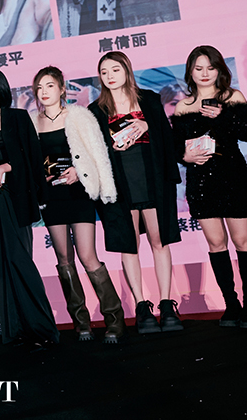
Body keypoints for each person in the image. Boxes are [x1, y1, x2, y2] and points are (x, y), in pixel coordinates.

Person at [88, 51, 183, 333]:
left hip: (153, 180)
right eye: (104, 72)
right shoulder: (96, 110)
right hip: (120, 187)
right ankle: (142, 306)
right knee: (129, 245)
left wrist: (146, 124)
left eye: (115, 70)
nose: (109, 76)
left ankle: (166, 303)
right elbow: (93, 152)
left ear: (127, 70)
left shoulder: (149, 100)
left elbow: (167, 138)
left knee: (159, 240)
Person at [0, 68, 59, 347]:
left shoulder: (17, 117)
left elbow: (31, 157)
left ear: (1, 90)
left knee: (20, 260)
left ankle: (41, 329)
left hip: (14, 198)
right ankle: (13, 330)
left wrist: (5, 166)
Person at [31, 67, 126, 344]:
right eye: (39, 87)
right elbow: (29, 162)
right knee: (64, 259)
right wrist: (40, 176)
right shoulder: (31, 121)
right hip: (52, 197)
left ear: (62, 88)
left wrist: (79, 171)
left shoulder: (79, 116)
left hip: (79, 193)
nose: (44, 92)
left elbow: (98, 154)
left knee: (87, 255)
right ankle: (81, 322)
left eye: (50, 85)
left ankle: (115, 319)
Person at [171, 45, 247, 328]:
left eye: (210, 68)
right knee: (216, 243)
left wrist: (221, 115)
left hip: (233, 177)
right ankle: (231, 304)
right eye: (198, 68)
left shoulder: (233, 97)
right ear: (190, 72)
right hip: (201, 181)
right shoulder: (183, 106)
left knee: (243, 242)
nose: (205, 73)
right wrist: (184, 157)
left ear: (219, 69)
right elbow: (175, 148)